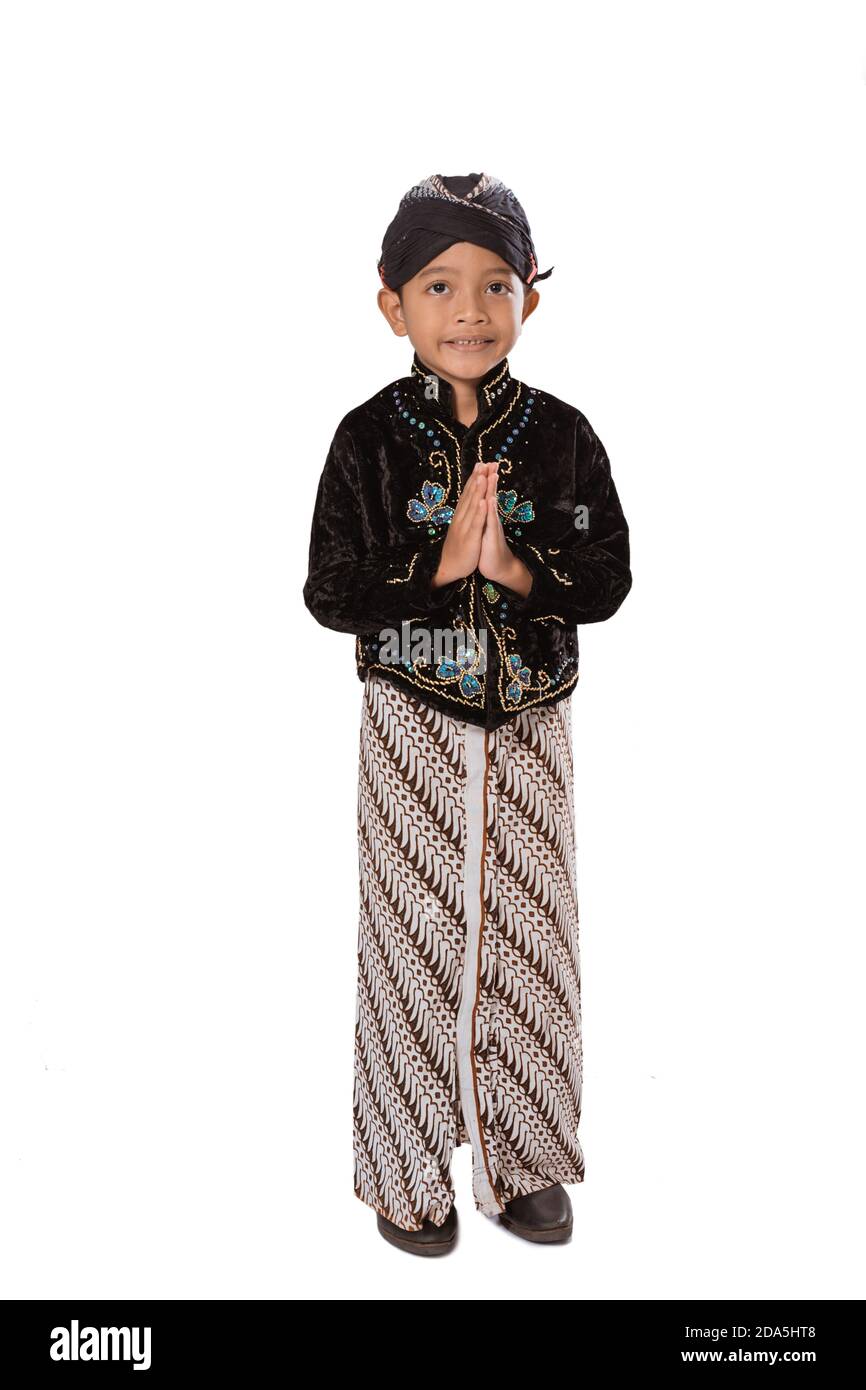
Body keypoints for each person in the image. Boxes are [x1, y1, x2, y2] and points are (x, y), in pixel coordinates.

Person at [303, 172, 632, 1255]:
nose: (469, 312)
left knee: (531, 937)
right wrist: (435, 564)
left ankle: (524, 1160)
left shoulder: (563, 434)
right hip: (410, 718)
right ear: (391, 303)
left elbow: (607, 576)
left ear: (528, 300)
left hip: (531, 719)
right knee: (408, 938)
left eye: (494, 284)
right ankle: (403, 1170)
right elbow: (329, 592)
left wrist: (520, 569)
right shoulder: (365, 440)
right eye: (438, 285)